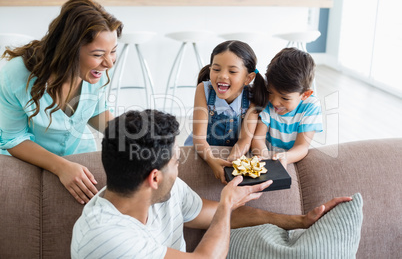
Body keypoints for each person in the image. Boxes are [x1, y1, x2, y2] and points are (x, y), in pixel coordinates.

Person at [71, 109, 351, 258]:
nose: (179, 165)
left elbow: (217, 214)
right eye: (175, 160)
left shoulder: (161, 194)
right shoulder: (106, 237)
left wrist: (299, 221)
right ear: (153, 178)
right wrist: (227, 202)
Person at [0, 0, 123, 204]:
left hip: (79, 155)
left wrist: (127, 134)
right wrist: (61, 167)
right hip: (26, 161)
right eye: (98, 54)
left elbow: (95, 111)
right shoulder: (16, 75)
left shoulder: (92, 72)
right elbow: (13, 139)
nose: (109, 63)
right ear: (69, 49)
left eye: (112, 51)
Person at [184, 40, 267, 184]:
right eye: (216, 69)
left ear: (248, 78)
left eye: (232, 71)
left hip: (232, 150)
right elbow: (199, 138)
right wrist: (211, 160)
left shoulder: (252, 97)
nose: (222, 76)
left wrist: (231, 162)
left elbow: (244, 140)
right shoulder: (203, 90)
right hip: (202, 150)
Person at [251, 47, 323, 168]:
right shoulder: (267, 102)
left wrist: (284, 157)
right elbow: (258, 139)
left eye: (285, 98)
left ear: (305, 95)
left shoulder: (311, 106)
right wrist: (266, 157)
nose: (274, 102)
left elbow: (302, 147)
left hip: (292, 158)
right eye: (270, 92)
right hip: (267, 157)